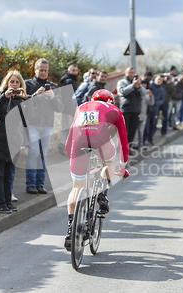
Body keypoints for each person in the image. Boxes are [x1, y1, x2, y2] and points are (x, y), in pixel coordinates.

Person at [64, 89, 130, 250]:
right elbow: (123, 141)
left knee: (77, 187)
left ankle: (70, 230)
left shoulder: (81, 107)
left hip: (78, 143)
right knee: (108, 163)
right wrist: (122, 167)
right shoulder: (114, 110)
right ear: (111, 102)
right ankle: (102, 193)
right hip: (100, 139)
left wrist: (71, 157)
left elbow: (69, 139)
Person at [24, 58, 64, 194]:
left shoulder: (53, 86)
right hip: (33, 123)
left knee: (43, 155)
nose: (43, 72)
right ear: (35, 69)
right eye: (40, 70)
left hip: (47, 124)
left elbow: (60, 107)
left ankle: (40, 184)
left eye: (45, 70)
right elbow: (22, 103)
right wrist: (35, 95)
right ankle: (30, 184)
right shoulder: (28, 84)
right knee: (33, 152)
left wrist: (53, 96)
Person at [0, 70, 28, 213]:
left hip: (14, 141)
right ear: (6, 83)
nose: (14, 84)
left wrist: (26, 99)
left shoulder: (21, 99)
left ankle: (7, 201)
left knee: (8, 174)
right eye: (11, 81)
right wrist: (4, 98)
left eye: (16, 82)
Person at [117, 67, 146, 145]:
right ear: (126, 73)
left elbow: (144, 94)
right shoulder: (122, 82)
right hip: (126, 110)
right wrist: (132, 86)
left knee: (132, 131)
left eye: (132, 72)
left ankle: (129, 148)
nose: (131, 74)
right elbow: (122, 92)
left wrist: (139, 86)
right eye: (129, 72)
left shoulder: (137, 82)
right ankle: (122, 148)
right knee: (124, 131)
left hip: (136, 111)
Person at [58, 64, 79, 156]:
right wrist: (72, 109)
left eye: (76, 70)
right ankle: (63, 146)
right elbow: (68, 97)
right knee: (68, 129)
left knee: (66, 129)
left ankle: (64, 146)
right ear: (69, 71)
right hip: (68, 109)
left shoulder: (67, 80)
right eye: (73, 70)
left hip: (67, 109)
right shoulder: (69, 81)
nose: (75, 72)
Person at [144, 74, 165, 145]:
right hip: (147, 109)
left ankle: (151, 138)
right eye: (158, 79)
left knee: (153, 124)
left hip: (155, 109)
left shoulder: (162, 89)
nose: (159, 81)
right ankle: (145, 139)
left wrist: (155, 103)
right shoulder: (150, 86)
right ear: (155, 79)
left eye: (161, 80)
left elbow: (162, 100)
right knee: (147, 124)